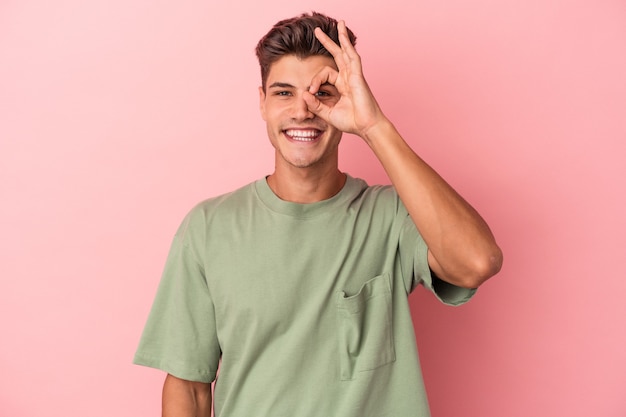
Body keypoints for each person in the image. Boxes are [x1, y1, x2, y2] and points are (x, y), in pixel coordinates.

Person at [133, 11, 503, 417]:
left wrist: (373, 124)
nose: (303, 110)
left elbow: (476, 262)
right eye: (284, 93)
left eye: (322, 92)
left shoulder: (393, 216)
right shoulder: (208, 227)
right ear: (262, 102)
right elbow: (189, 388)